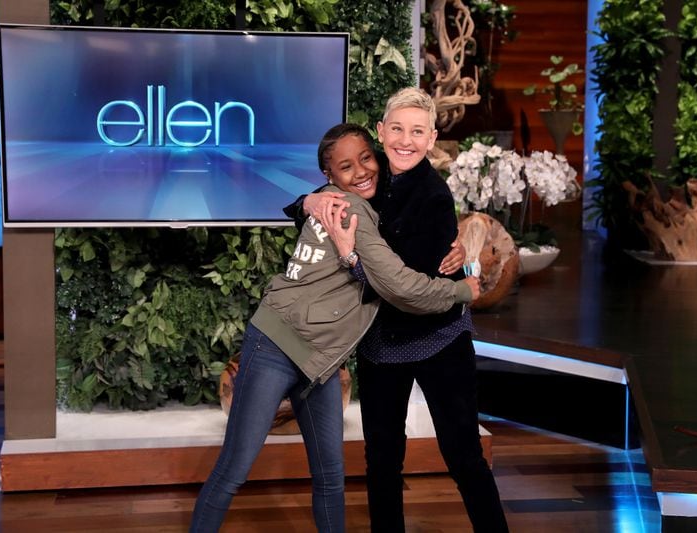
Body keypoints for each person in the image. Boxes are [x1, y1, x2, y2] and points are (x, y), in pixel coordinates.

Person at [189, 123, 480, 533]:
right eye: (346, 166)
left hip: (322, 360)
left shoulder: (359, 201)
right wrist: (462, 290)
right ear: (331, 177)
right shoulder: (348, 208)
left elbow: (401, 247)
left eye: (366, 158)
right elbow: (399, 286)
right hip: (276, 347)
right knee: (233, 469)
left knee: (330, 477)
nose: (361, 170)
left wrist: (452, 242)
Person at [298, 88, 509, 532]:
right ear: (381, 132)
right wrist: (310, 201)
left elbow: (401, 288)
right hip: (380, 343)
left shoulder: (433, 197)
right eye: (397, 129)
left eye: (417, 132)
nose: (405, 140)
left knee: (463, 455)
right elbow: (323, 193)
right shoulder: (369, 169)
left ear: (431, 139)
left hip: (438, 337)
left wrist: (352, 258)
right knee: (382, 460)